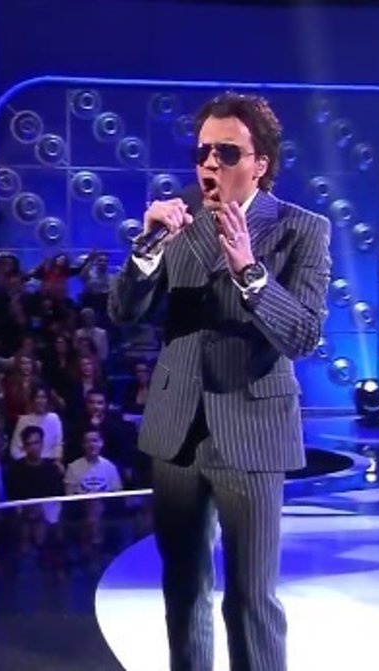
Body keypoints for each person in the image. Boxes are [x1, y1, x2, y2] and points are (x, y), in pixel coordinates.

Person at [108, 92, 330, 671]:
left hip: (252, 430)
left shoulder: (301, 229)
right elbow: (123, 311)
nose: (210, 162)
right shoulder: (176, 219)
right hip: (177, 431)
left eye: (226, 152)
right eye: (203, 151)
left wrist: (249, 272)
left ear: (260, 163)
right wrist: (146, 250)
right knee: (183, 588)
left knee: (251, 600)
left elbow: (304, 335)